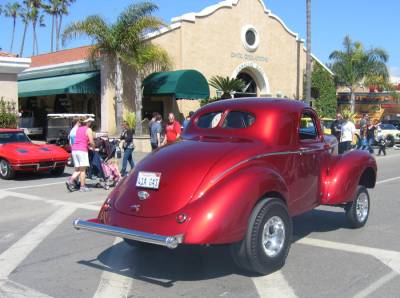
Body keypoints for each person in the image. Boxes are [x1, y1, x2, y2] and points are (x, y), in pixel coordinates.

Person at [66, 117, 95, 192]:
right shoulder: (88, 129)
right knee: (83, 170)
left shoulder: (78, 129)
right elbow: (91, 141)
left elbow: (79, 139)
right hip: (82, 150)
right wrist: (94, 147)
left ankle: (71, 180)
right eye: (90, 122)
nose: (91, 123)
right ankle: (81, 186)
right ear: (87, 122)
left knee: (78, 168)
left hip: (75, 149)